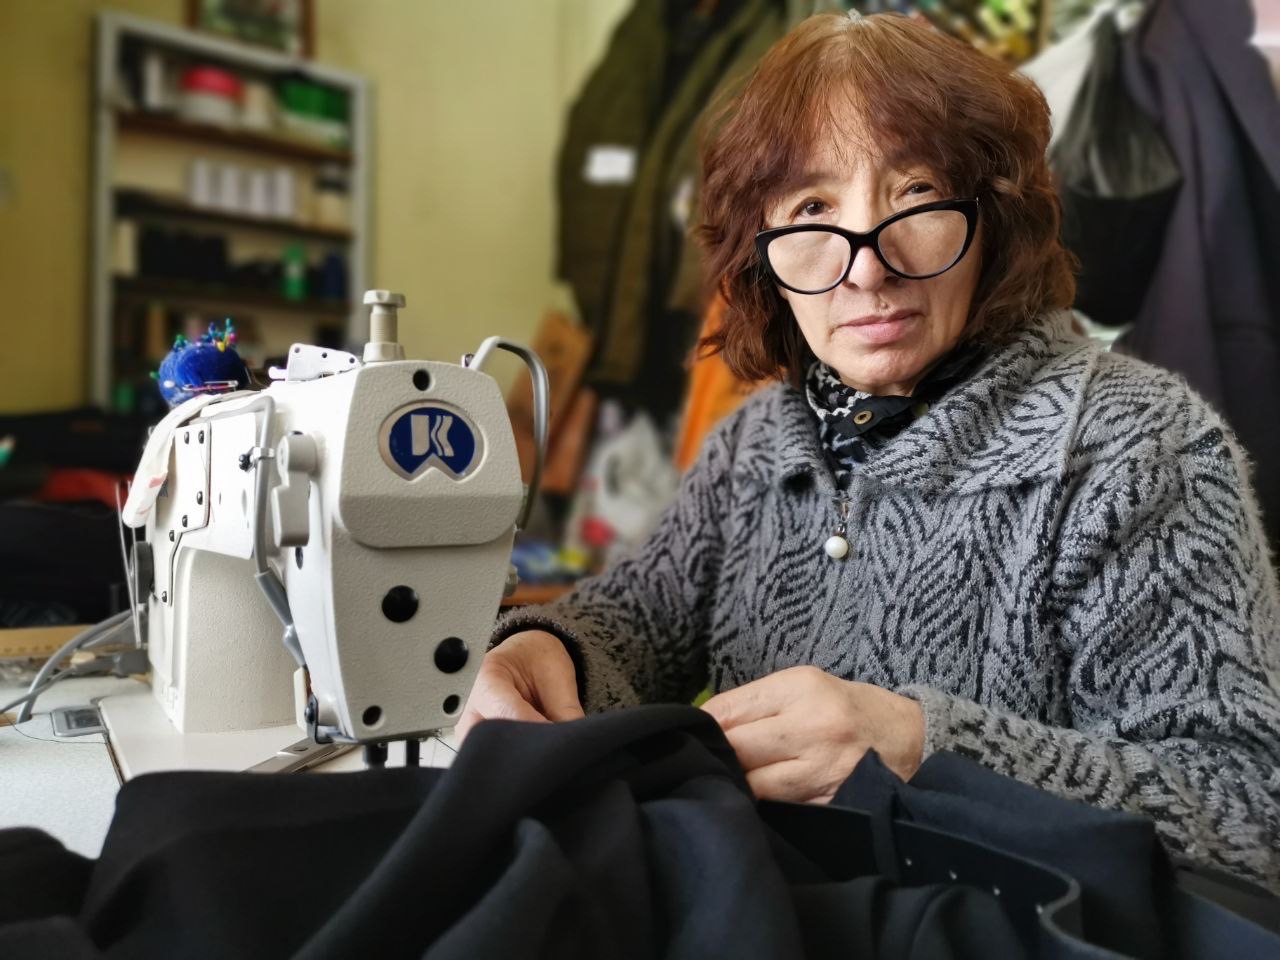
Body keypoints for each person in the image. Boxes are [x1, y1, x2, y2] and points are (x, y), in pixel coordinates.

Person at [460, 11, 1280, 891]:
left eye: (917, 193)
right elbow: (639, 619)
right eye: (812, 208)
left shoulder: (1139, 446)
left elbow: (1247, 806)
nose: (865, 267)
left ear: (993, 221)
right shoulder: (755, 441)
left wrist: (925, 748)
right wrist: (548, 649)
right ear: (760, 252)